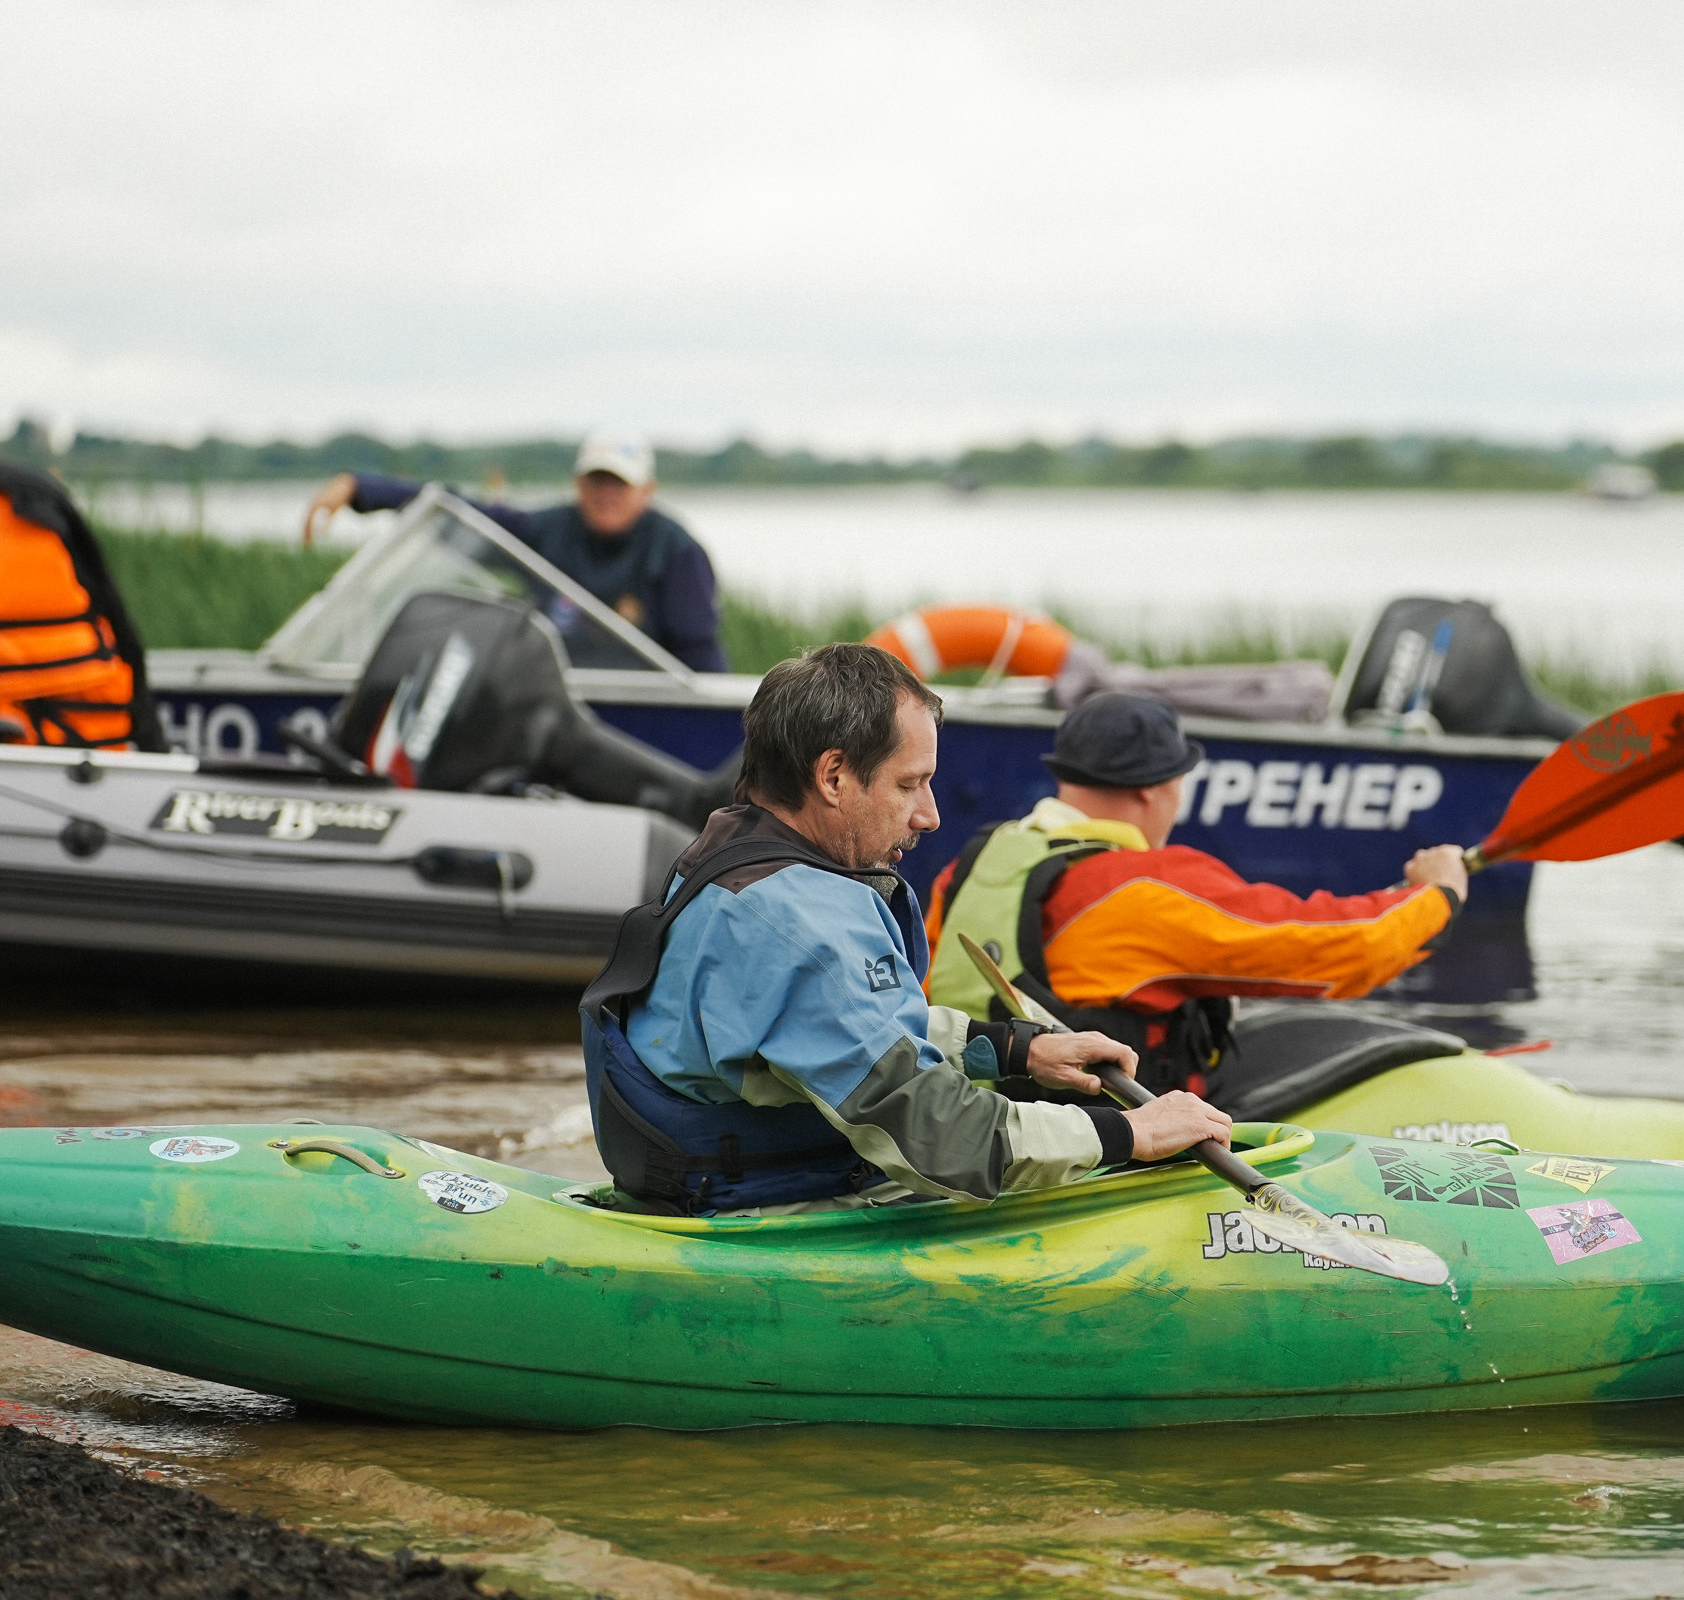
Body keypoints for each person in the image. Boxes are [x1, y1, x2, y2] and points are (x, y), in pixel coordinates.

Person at [581, 644, 1230, 1215]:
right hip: (758, 1205)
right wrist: (1130, 1134)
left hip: (722, 1174)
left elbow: (840, 1029)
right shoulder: (794, 924)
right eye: (910, 784)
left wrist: (1014, 1051)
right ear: (833, 776)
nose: (931, 815)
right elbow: (944, 1142)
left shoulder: (740, 855)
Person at [923, 692, 1469, 1092]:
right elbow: (1336, 948)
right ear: (1155, 788)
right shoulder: (1143, 887)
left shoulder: (973, 863)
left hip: (972, 1123)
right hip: (1100, 1155)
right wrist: (1438, 895)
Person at [302, 430, 726, 671]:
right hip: (552, 701)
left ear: (647, 492)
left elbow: (701, 658)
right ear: (578, 484)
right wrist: (363, 488)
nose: (606, 494)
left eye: (620, 484)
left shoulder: (677, 551)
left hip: (641, 709)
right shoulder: (549, 530)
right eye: (597, 481)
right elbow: (463, 514)